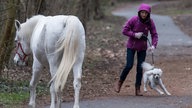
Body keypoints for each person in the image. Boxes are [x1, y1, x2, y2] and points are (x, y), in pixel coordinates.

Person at [114, 3, 158, 96]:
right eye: (142, 12)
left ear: (148, 14)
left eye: (146, 13)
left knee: (139, 68)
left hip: (142, 47)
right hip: (131, 46)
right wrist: (134, 34)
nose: (144, 14)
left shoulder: (150, 22)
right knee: (129, 65)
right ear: (139, 12)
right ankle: (120, 82)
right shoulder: (134, 19)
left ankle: (137, 88)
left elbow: (154, 34)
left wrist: (153, 45)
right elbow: (124, 30)